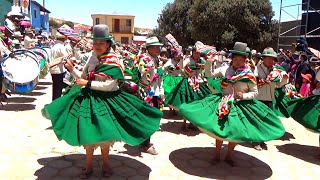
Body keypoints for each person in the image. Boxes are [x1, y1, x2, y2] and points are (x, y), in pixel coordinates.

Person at [42, 24, 162, 178]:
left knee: (105, 136)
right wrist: (72, 69)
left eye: (101, 43)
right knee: (88, 133)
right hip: (88, 100)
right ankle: (89, 166)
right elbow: (83, 77)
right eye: (95, 43)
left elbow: (111, 85)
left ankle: (105, 165)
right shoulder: (92, 57)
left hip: (107, 101)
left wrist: (88, 84)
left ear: (108, 44)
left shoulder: (114, 60)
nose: (97, 46)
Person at [179, 42, 285, 166]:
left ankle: (229, 156)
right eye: (235, 59)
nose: (238, 62)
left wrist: (244, 96)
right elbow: (209, 75)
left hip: (239, 105)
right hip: (223, 102)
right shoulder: (225, 69)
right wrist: (208, 62)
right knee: (220, 129)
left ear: (245, 60)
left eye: (241, 59)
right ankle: (217, 155)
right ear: (232, 58)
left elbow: (254, 92)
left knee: (235, 131)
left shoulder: (248, 74)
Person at [254, 47, 288, 150]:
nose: (270, 60)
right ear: (263, 58)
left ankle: (262, 140)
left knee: (265, 120)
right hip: (258, 98)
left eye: (272, 58)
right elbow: (254, 82)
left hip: (269, 99)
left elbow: (277, 85)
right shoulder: (256, 69)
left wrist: (284, 79)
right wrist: (262, 81)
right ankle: (256, 141)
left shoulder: (275, 71)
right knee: (257, 119)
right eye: (268, 58)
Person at [137, 36, 164, 155]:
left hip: (155, 92)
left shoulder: (156, 60)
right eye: (156, 47)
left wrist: (161, 91)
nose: (159, 49)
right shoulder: (144, 59)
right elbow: (145, 76)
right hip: (146, 93)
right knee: (147, 118)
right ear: (149, 48)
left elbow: (160, 77)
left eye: (159, 47)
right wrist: (150, 69)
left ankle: (145, 141)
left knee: (153, 117)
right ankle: (145, 144)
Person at [47, 32, 69, 101]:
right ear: (64, 38)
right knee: (58, 89)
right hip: (59, 69)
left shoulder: (53, 46)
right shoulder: (61, 46)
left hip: (53, 69)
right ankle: (56, 103)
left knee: (55, 88)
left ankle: (54, 102)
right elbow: (66, 57)